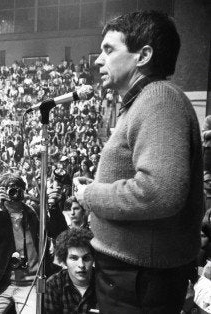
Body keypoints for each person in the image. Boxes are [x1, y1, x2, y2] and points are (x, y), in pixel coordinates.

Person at [76, 11, 203, 312]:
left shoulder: (159, 99)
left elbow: (159, 191)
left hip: (140, 281)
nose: (97, 60)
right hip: (132, 276)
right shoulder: (143, 102)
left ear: (143, 55)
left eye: (109, 49)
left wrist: (91, 195)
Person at [0, 173, 67, 314]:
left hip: (31, 285)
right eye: (9, 189)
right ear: (0, 192)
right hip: (2, 285)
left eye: (18, 188)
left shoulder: (34, 211)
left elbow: (59, 233)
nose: (14, 192)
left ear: (24, 191)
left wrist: (54, 208)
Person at [44, 228, 98, 313]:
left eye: (86, 258)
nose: (81, 265)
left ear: (93, 259)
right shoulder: (54, 284)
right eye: (74, 258)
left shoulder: (104, 283)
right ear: (65, 261)